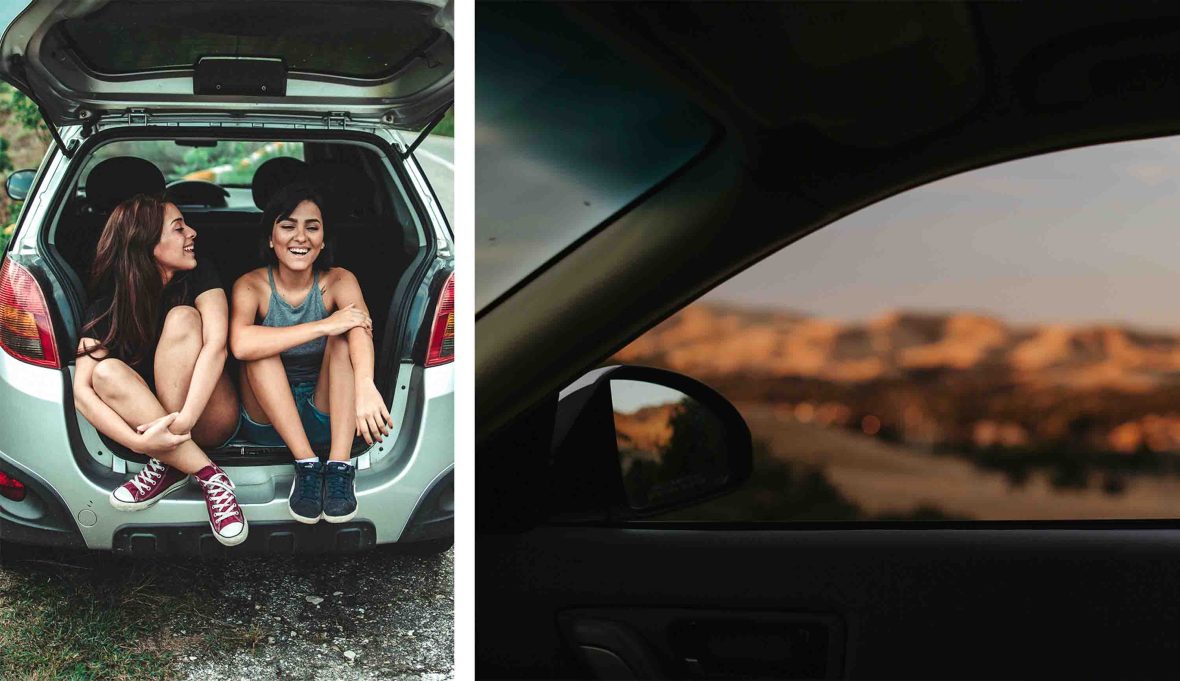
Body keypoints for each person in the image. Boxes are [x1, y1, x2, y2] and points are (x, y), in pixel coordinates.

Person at [73, 194, 247, 546]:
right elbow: (82, 392)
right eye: (179, 228)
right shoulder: (108, 303)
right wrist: (141, 442)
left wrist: (180, 425)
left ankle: (169, 463)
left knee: (183, 318)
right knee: (103, 373)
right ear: (146, 243)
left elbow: (217, 346)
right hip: (153, 431)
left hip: (209, 415)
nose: (192, 233)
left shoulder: (201, 276)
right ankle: (208, 475)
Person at [229, 182, 391, 524]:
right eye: (288, 226)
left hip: (328, 416)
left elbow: (360, 329)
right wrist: (323, 325)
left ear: (323, 240)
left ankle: (338, 466)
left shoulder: (340, 279)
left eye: (312, 228)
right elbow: (241, 344)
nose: (300, 237)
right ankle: (306, 465)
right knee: (260, 347)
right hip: (269, 419)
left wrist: (365, 386)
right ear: (271, 238)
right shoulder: (250, 285)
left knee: (345, 337)